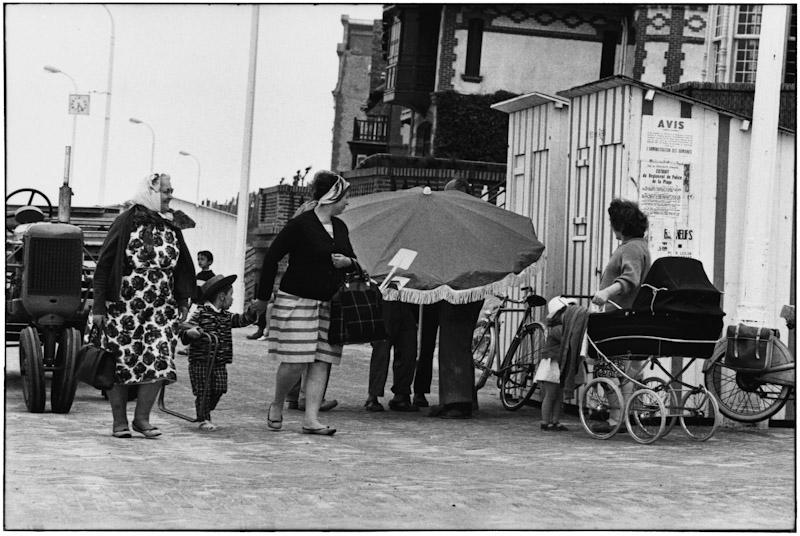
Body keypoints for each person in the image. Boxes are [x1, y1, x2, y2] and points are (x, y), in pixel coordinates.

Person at [252, 171, 357, 435]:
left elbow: (353, 260)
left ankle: (311, 419)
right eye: (345, 197)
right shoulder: (300, 225)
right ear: (332, 196)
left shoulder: (341, 227)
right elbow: (271, 257)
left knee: (322, 361)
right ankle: (277, 402)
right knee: (295, 361)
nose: (348, 203)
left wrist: (348, 263)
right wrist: (263, 298)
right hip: (297, 300)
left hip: (328, 303)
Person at [92, 173, 196, 438]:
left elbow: (183, 264)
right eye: (166, 191)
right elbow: (104, 266)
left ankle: (142, 419)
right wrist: (99, 307)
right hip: (123, 306)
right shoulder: (125, 221)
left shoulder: (171, 224)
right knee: (120, 362)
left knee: (160, 360)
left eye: (171, 190)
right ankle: (119, 422)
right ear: (150, 192)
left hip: (161, 307)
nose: (171, 195)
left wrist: (183, 298)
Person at [590, 198, 651, 434]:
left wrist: (606, 292)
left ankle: (616, 418)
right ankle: (626, 417)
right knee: (629, 370)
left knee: (608, 368)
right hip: (632, 316)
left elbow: (630, 279)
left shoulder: (631, 249)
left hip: (619, 318)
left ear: (620, 226)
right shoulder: (640, 246)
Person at [427, 176, 482, 419]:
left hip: (457, 287)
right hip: (473, 286)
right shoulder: (478, 217)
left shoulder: (456, 220)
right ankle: (465, 398)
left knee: (452, 342)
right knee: (460, 342)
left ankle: (456, 402)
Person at [179, 274, 256, 431]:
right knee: (203, 391)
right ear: (221, 297)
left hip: (219, 360)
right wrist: (190, 333)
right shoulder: (200, 313)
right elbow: (185, 330)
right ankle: (204, 418)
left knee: (220, 387)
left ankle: (205, 410)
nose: (232, 299)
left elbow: (242, 320)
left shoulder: (226, 316)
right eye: (231, 296)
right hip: (200, 360)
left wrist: (252, 311)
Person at [365, 300, 419, 412]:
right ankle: (373, 395)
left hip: (407, 298)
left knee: (408, 348)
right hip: (386, 296)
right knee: (382, 349)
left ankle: (401, 393)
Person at [535, 297, 577, 431]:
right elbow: (568, 340)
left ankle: (554, 421)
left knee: (558, 395)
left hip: (557, 365)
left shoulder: (558, 328)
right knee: (551, 394)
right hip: (552, 365)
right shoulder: (558, 329)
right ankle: (546, 421)